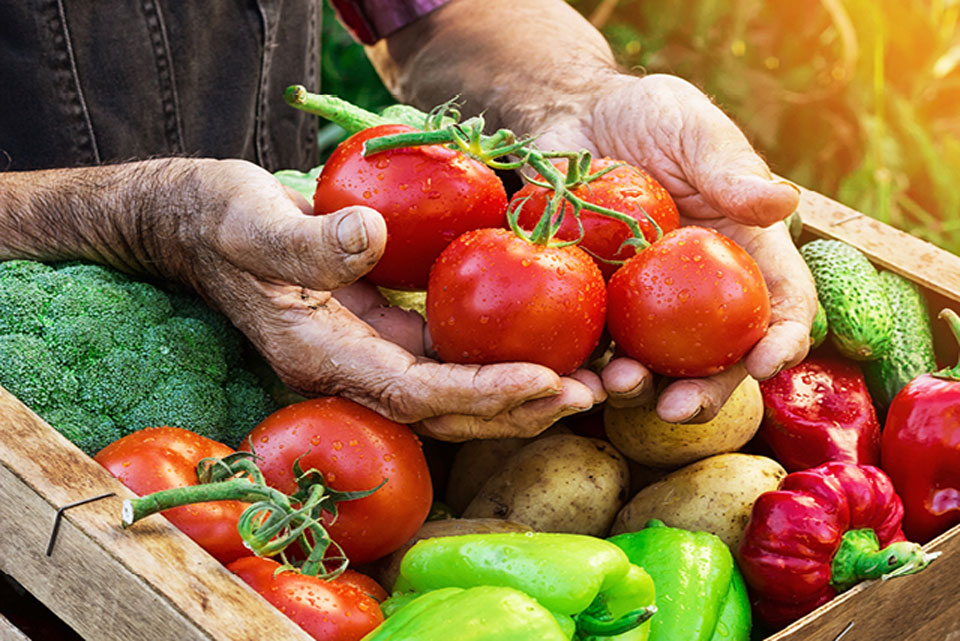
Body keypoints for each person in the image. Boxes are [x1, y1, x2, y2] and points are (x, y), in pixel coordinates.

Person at [0, 0, 816, 441]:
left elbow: (443, 9)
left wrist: (580, 101)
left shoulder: (563, 220)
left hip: (304, 287)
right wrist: (132, 215)